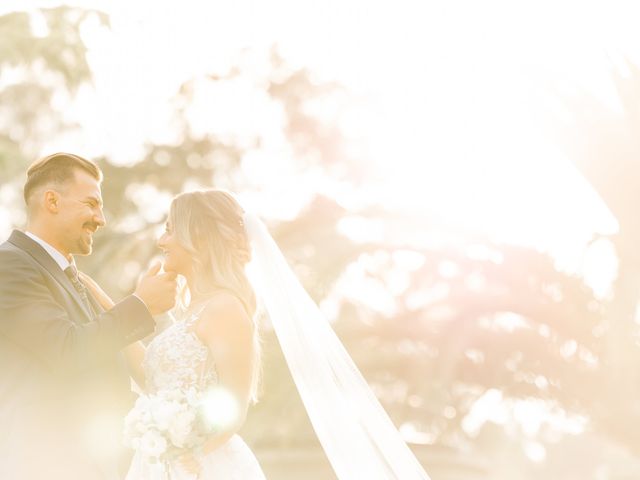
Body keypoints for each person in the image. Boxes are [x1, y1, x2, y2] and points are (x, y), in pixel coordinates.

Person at [90, 189, 431, 480]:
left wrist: (189, 454)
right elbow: (149, 376)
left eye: (170, 231)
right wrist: (98, 296)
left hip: (201, 465)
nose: (161, 241)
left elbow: (233, 409)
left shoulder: (225, 309)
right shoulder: (193, 312)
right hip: (157, 461)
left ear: (200, 238)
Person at [0, 153, 178, 480]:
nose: (101, 219)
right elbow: (65, 348)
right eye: (91, 204)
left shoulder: (73, 277)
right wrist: (142, 304)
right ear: (51, 201)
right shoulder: (9, 264)